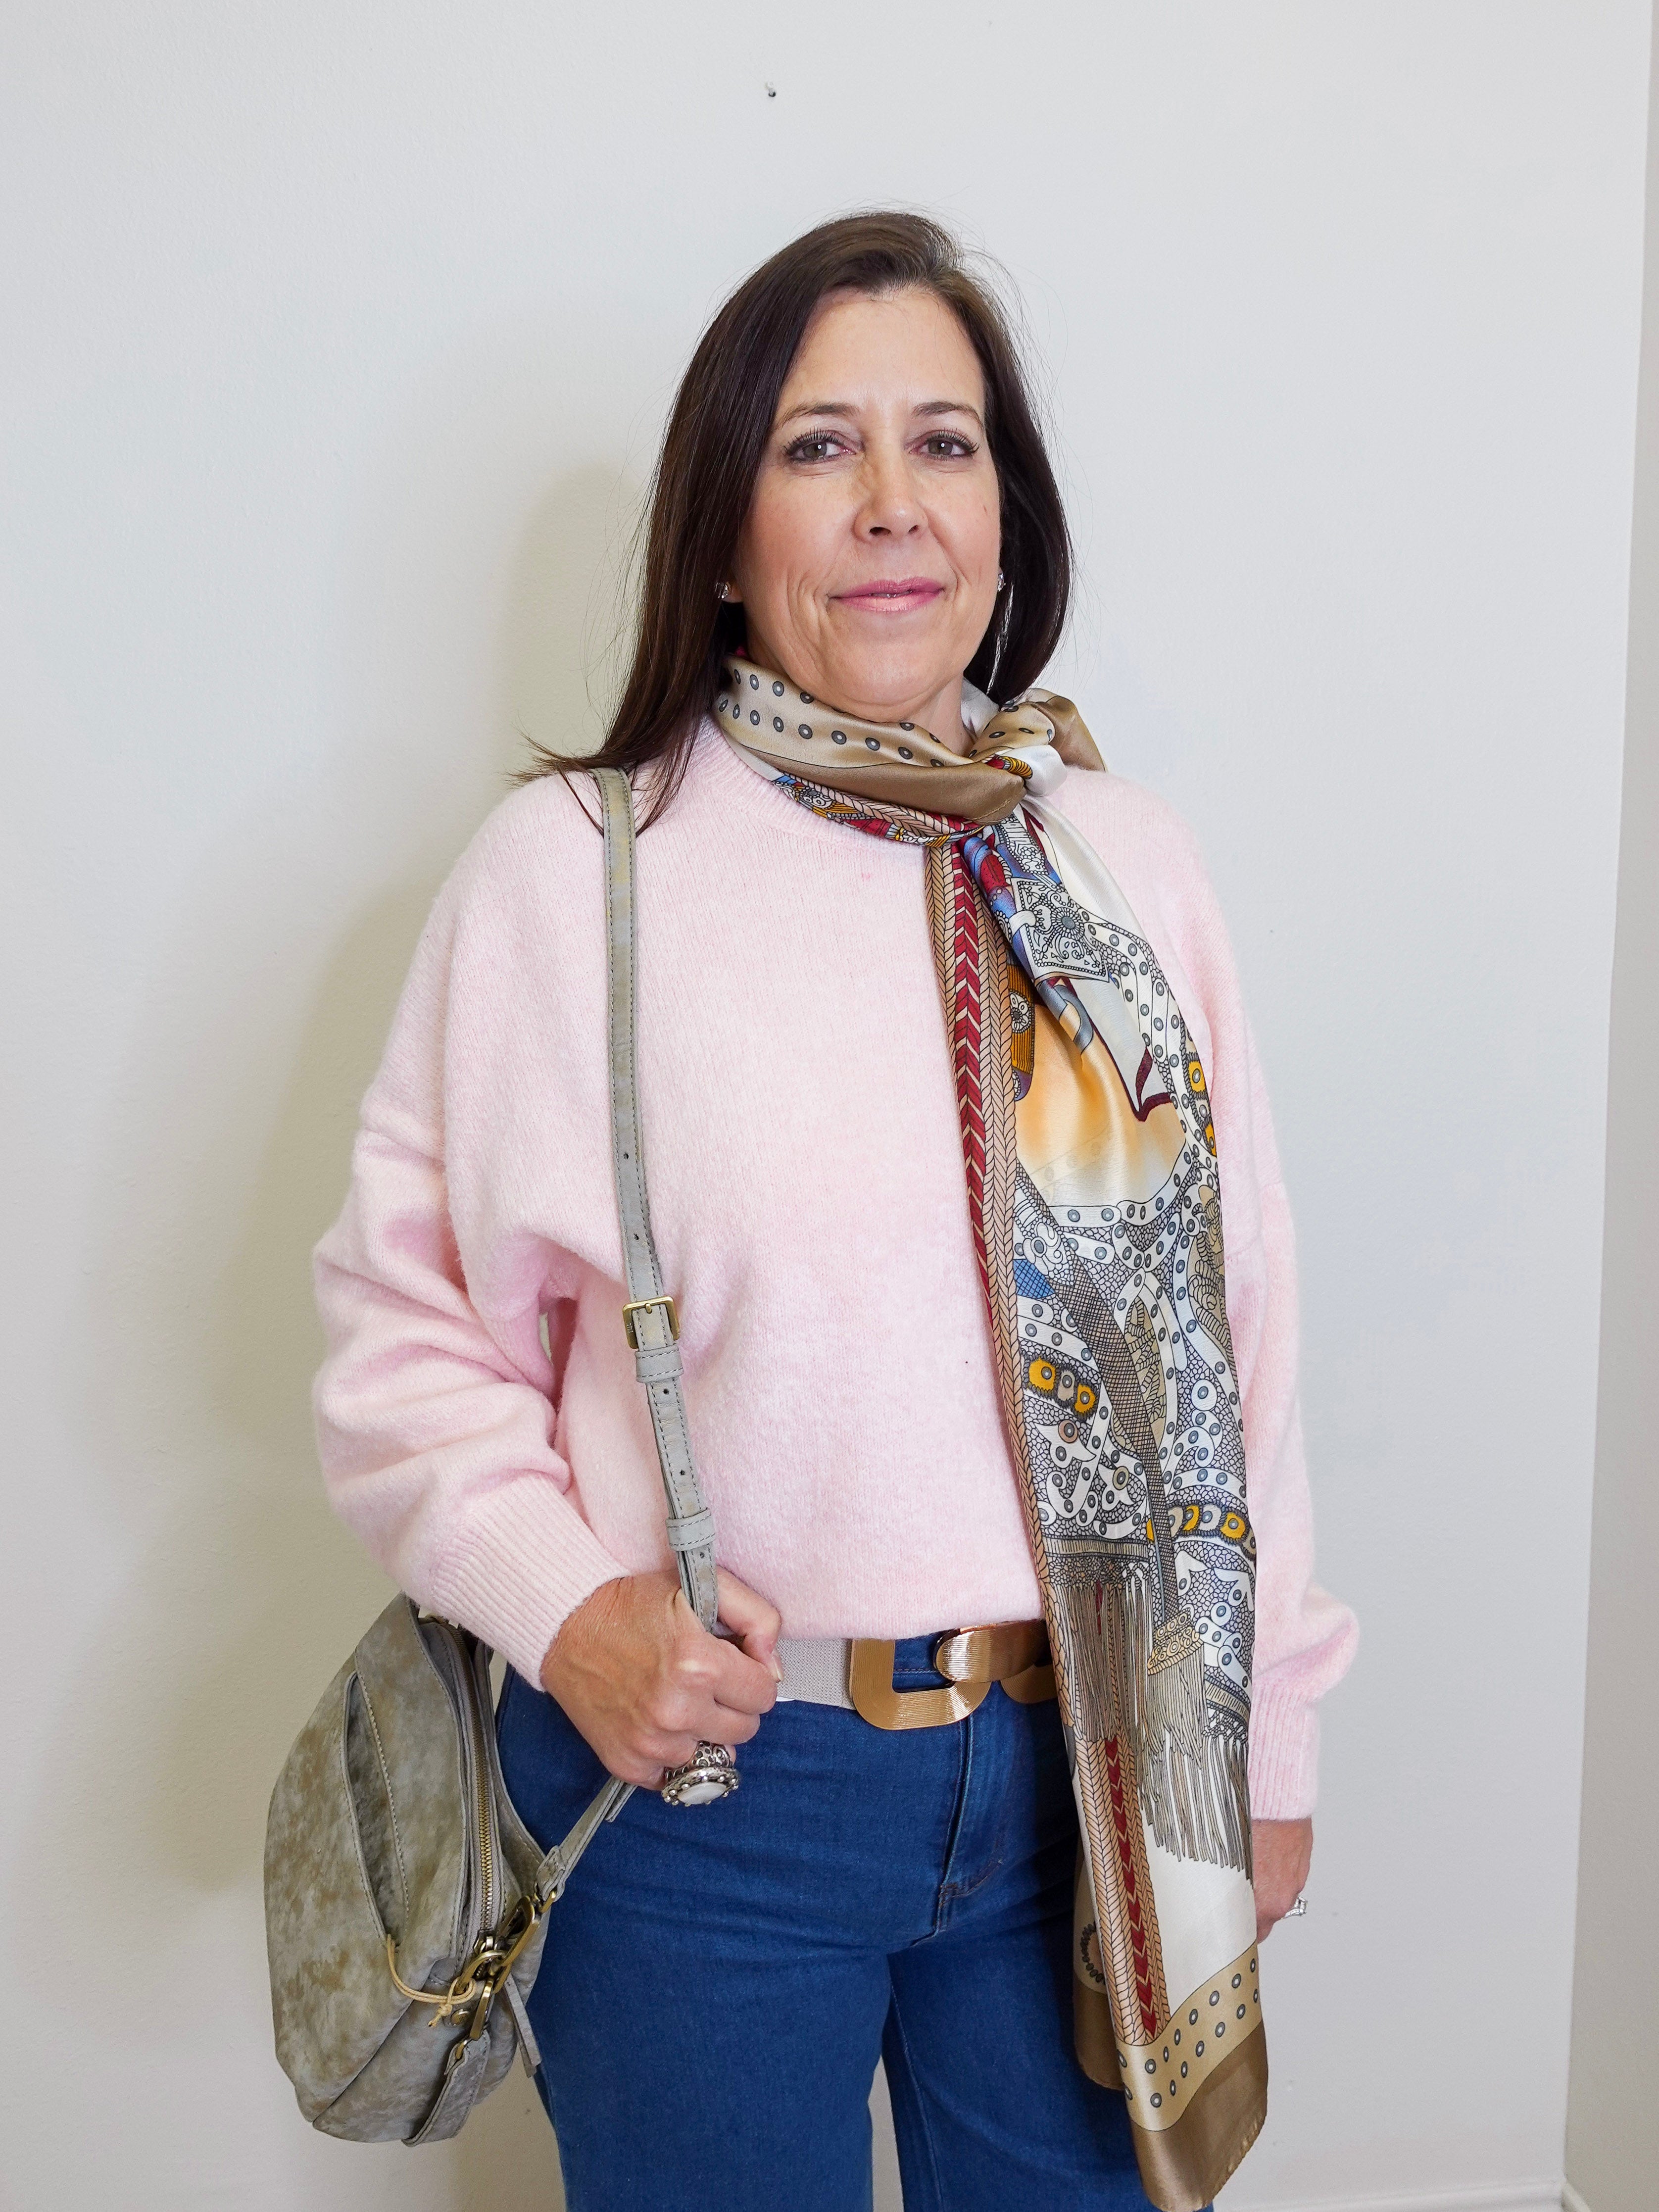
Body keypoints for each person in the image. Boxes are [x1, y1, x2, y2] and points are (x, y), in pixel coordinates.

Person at [312, 211, 1357, 2212]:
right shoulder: (574, 874)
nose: (893, 503)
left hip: (1096, 1782)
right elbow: (404, 1333)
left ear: (1003, 515)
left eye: (943, 443)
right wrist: (573, 1615)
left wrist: (1264, 1750)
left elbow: (1244, 1343)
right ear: (725, 529)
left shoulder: (1122, 869)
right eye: (818, 447)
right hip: (703, 1798)